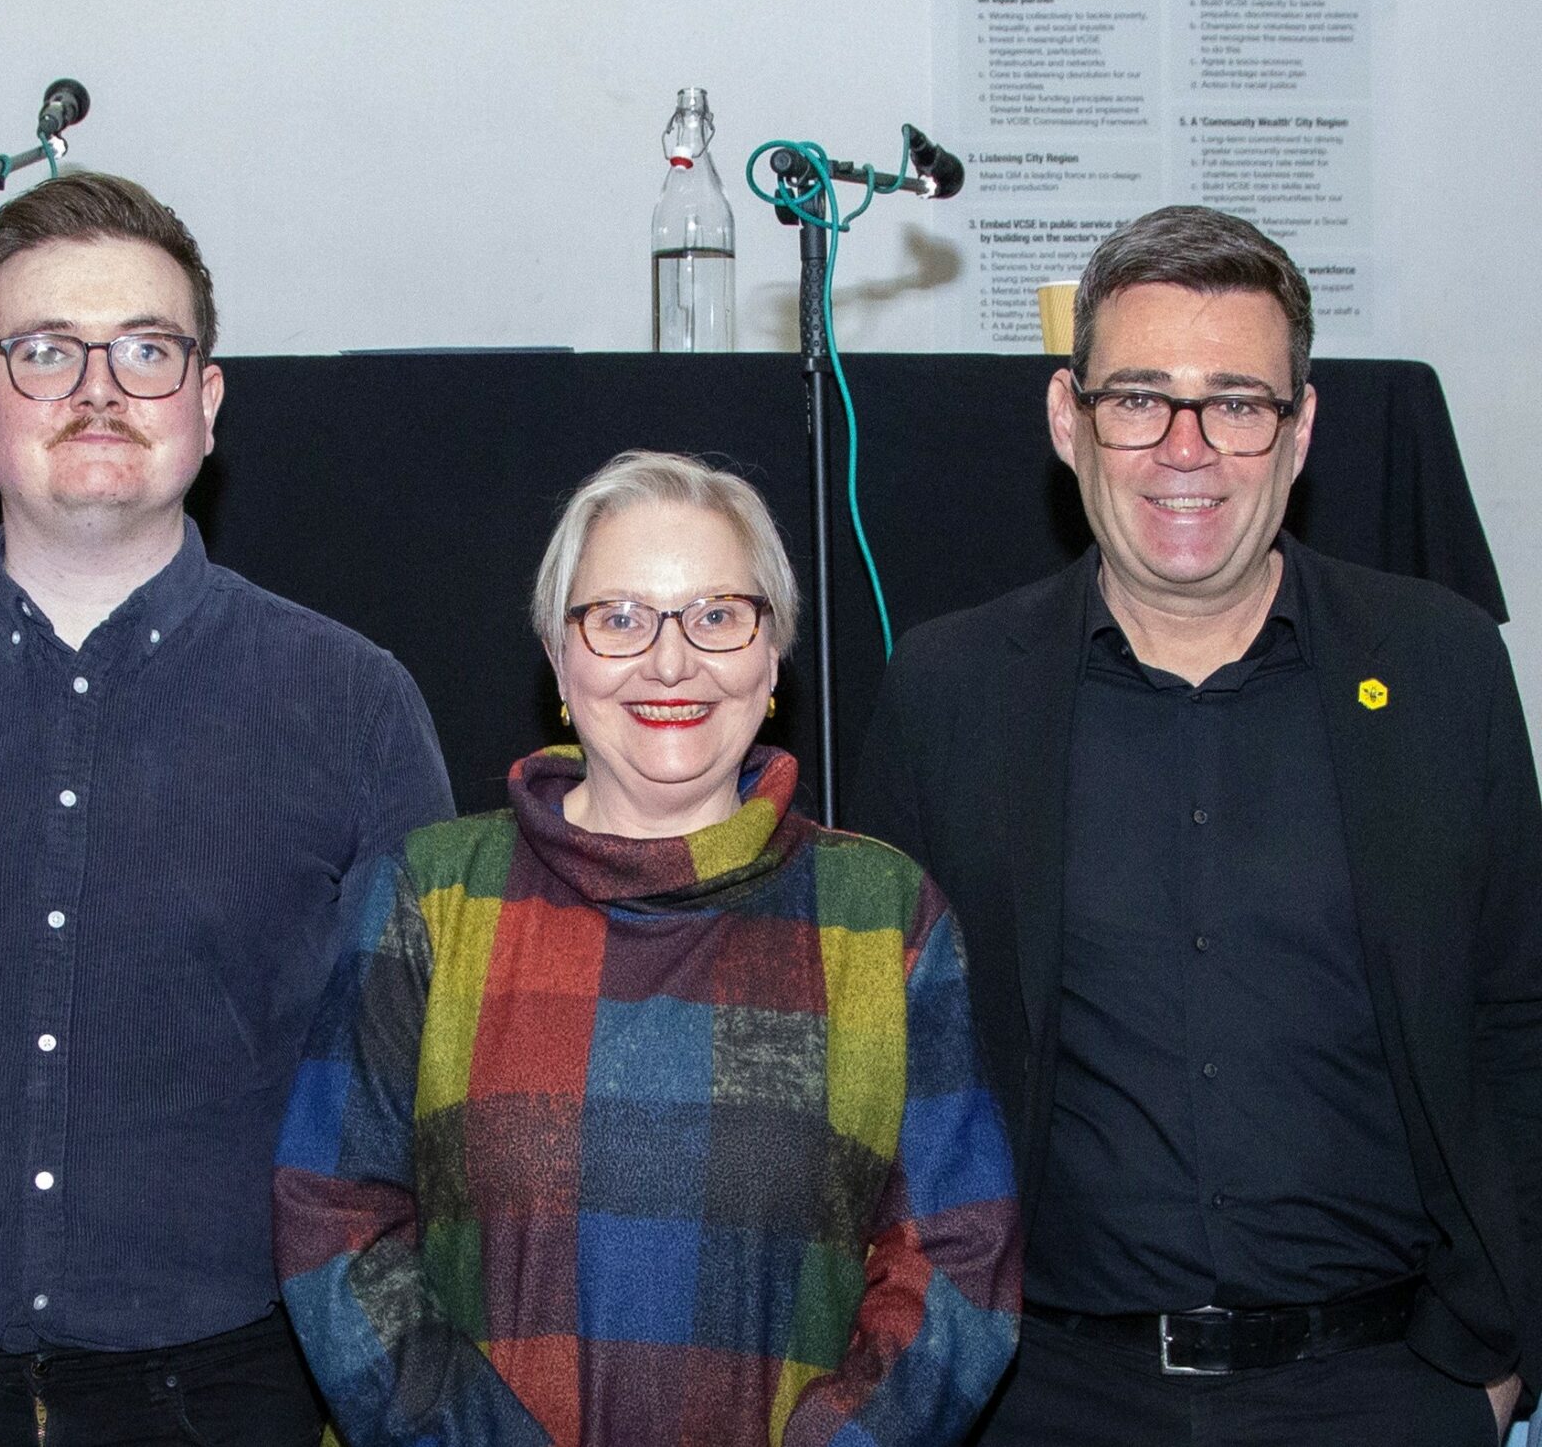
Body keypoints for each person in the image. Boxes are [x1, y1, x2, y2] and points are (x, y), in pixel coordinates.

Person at [0, 171, 455, 1447]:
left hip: (223, 1381)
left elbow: (406, 1059)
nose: (99, 389)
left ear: (207, 402)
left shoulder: (353, 703)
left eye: (147, 350)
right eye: (46, 351)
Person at [852, 204, 1542, 1444]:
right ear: (1068, 418)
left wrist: (1501, 1358)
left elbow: (1521, 1021)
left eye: (1236, 401)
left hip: (1387, 1389)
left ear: (1300, 429)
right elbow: (883, 1067)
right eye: (1138, 399)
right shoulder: (948, 692)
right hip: (1043, 1395)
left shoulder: (1440, 673)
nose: (1186, 447)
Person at [274, 449, 1019, 1447]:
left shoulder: (881, 914)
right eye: (619, 617)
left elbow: (960, 1256)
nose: (670, 661)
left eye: (716, 615)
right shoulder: (429, 895)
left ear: (770, 657)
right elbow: (334, 1217)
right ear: (558, 657)